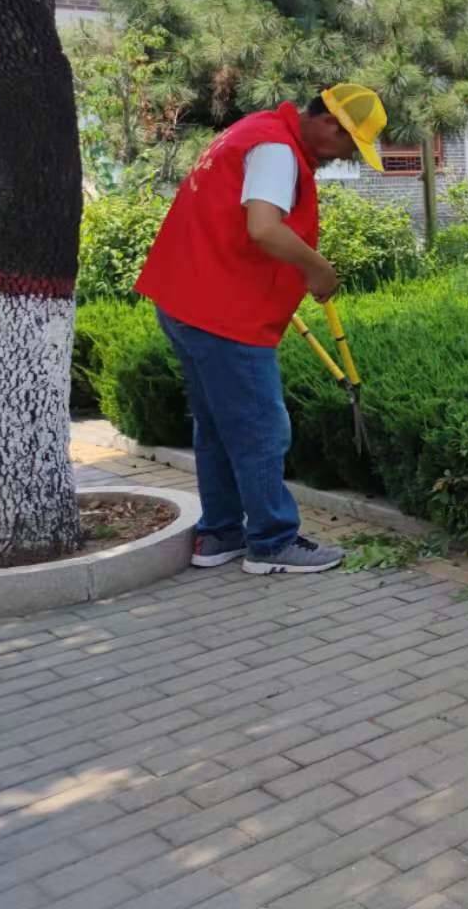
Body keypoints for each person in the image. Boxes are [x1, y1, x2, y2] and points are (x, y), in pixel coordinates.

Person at [136, 84, 388, 575]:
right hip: (223, 314)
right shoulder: (276, 150)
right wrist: (318, 268)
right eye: (349, 146)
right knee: (260, 429)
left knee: (215, 426)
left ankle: (220, 534)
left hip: (185, 302)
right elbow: (264, 227)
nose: (342, 158)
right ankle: (272, 541)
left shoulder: (254, 131)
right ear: (331, 126)